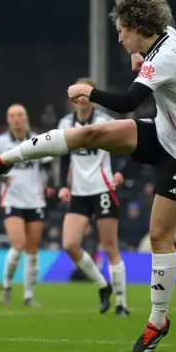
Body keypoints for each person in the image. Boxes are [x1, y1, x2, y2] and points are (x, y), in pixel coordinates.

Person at [0, 0, 176, 352]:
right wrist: (139, 54)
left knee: (160, 236)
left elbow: (128, 102)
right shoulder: (166, 38)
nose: (118, 37)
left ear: (138, 26)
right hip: (163, 130)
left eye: (121, 31)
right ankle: (3, 160)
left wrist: (89, 91)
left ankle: (158, 321)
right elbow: (164, 30)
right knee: (90, 133)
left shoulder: (166, 59)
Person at [57, 78, 130, 316]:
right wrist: (62, 185)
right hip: (78, 192)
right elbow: (63, 155)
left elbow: (128, 146)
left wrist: (121, 173)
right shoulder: (65, 123)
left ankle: (121, 303)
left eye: (84, 94)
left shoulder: (105, 122)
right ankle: (102, 284)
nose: (80, 99)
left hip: (102, 189)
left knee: (109, 247)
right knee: (70, 245)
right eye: (76, 95)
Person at [0, 104, 54, 307]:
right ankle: (6, 285)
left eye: (20, 115)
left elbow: (48, 166)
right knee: (18, 244)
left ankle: (28, 295)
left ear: (26, 118)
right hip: (12, 199)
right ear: (8, 120)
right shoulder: (1, 142)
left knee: (33, 249)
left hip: (35, 200)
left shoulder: (37, 140)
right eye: (12, 115)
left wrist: (50, 184)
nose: (16, 119)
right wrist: (1, 179)